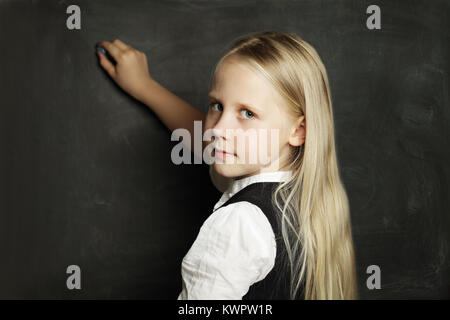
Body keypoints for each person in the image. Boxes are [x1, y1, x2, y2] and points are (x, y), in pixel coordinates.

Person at [96, 31, 358, 299]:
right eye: (217, 106)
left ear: (299, 130)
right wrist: (144, 86)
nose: (219, 129)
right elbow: (207, 139)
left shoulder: (241, 222)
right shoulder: (307, 195)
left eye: (247, 113)